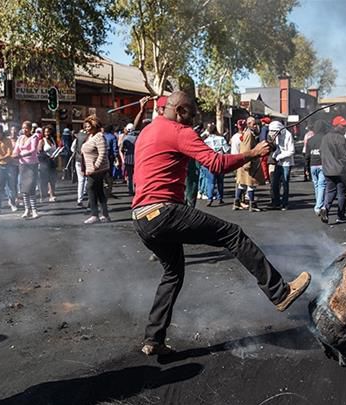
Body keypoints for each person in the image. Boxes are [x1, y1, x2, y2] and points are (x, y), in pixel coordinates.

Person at [130, 91, 310, 355]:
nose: (195, 120)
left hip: (141, 218)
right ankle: (279, 292)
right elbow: (215, 164)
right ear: (180, 111)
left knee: (173, 273)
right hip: (164, 211)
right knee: (232, 235)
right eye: (192, 114)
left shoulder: (148, 130)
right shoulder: (180, 131)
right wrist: (253, 153)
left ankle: (153, 339)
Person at [319, 116, 346, 224]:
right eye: (343, 125)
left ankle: (325, 209)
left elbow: (321, 152)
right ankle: (341, 216)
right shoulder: (341, 138)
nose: (345, 127)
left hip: (327, 170)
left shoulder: (325, 138)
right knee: (342, 193)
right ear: (336, 126)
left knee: (330, 191)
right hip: (341, 170)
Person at [82, 115, 111, 224]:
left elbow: (103, 153)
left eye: (89, 126)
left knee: (90, 188)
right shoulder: (90, 136)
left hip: (98, 169)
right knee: (99, 191)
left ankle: (95, 215)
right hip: (91, 168)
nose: (86, 128)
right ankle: (105, 214)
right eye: (85, 126)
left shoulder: (99, 136)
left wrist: (95, 166)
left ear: (95, 126)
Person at [234, 117, 266, 211]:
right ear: (249, 124)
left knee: (242, 184)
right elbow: (246, 149)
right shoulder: (248, 134)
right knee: (250, 184)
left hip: (246, 162)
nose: (256, 126)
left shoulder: (248, 133)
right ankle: (252, 205)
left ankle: (237, 203)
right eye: (254, 124)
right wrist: (246, 164)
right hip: (248, 163)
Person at [13, 121, 40, 219]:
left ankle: (34, 210)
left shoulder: (34, 137)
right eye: (23, 128)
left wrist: (21, 155)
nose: (25, 130)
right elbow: (16, 149)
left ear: (30, 128)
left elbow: (33, 150)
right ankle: (27, 209)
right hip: (22, 165)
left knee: (31, 187)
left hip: (32, 164)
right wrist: (14, 154)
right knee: (24, 189)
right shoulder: (20, 138)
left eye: (26, 128)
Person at [267, 120, 294, 210]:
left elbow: (291, 150)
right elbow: (278, 148)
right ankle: (276, 202)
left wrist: (279, 157)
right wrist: (275, 155)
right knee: (275, 183)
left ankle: (285, 203)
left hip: (286, 163)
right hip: (278, 163)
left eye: (274, 131)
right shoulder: (278, 136)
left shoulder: (288, 135)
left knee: (285, 183)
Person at [203, 123, 230, 206]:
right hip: (219, 160)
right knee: (220, 181)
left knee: (210, 181)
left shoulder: (205, 141)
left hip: (210, 161)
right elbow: (226, 150)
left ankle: (209, 198)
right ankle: (220, 198)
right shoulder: (221, 138)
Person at [306, 121, 327, 215]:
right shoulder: (325, 139)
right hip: (322, 164)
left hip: (312, 164)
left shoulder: (310, 140)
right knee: (322, 185)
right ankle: (319, 206)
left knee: (317, 185)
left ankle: (319, 204)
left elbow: (307, 155)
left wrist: (306, 168)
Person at [37, 125, 58, 202]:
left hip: (52, 161)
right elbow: (39, 151)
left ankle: (52, 194)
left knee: (52, 179)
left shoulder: (52, 139)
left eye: (49, 131)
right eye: (46, 132)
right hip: (44, 162)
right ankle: (43, 196)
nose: (47, 133)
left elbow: (55, 149)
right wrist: (46, 155)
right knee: (45, 180)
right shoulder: (42, 141)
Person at [71, 123, 89, 207]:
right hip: (87, 160)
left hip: (78, 160)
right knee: (88, 179)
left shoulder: (77, 136)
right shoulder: (89, 137)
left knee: (81, 180)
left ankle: (79, 199)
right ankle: (87, 195)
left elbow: (72, 148)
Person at [121, 123, 139, 196]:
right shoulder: (137, 137)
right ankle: (137, 189)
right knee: (136, 175)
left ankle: (130, 190)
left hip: (128, 158)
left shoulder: (125, 138)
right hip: (137, 158)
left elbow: (122, 149)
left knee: (129, 176)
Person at [103, 125, 118, 199]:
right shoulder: (113, 137)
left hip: (102, 156)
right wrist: (116, 157)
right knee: (110, 174)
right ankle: (109, 190)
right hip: (110, 156)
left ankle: (104, 187)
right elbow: (115, 148)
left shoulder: (102, 136)